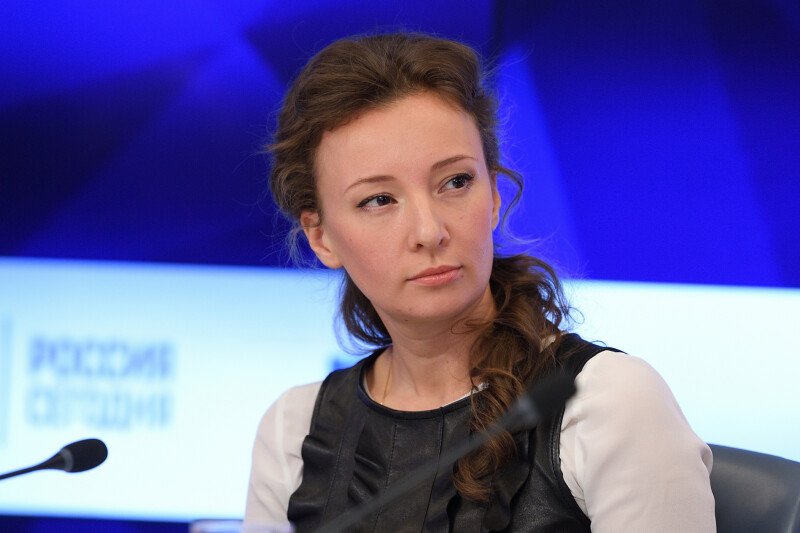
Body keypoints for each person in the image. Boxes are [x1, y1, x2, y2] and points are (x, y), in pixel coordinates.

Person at [245, 32, 715, 532]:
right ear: (321, 237)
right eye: (379, 200)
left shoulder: (607, 403)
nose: (429, 232)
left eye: (456, 182)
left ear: (492, 195)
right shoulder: (295, 431)